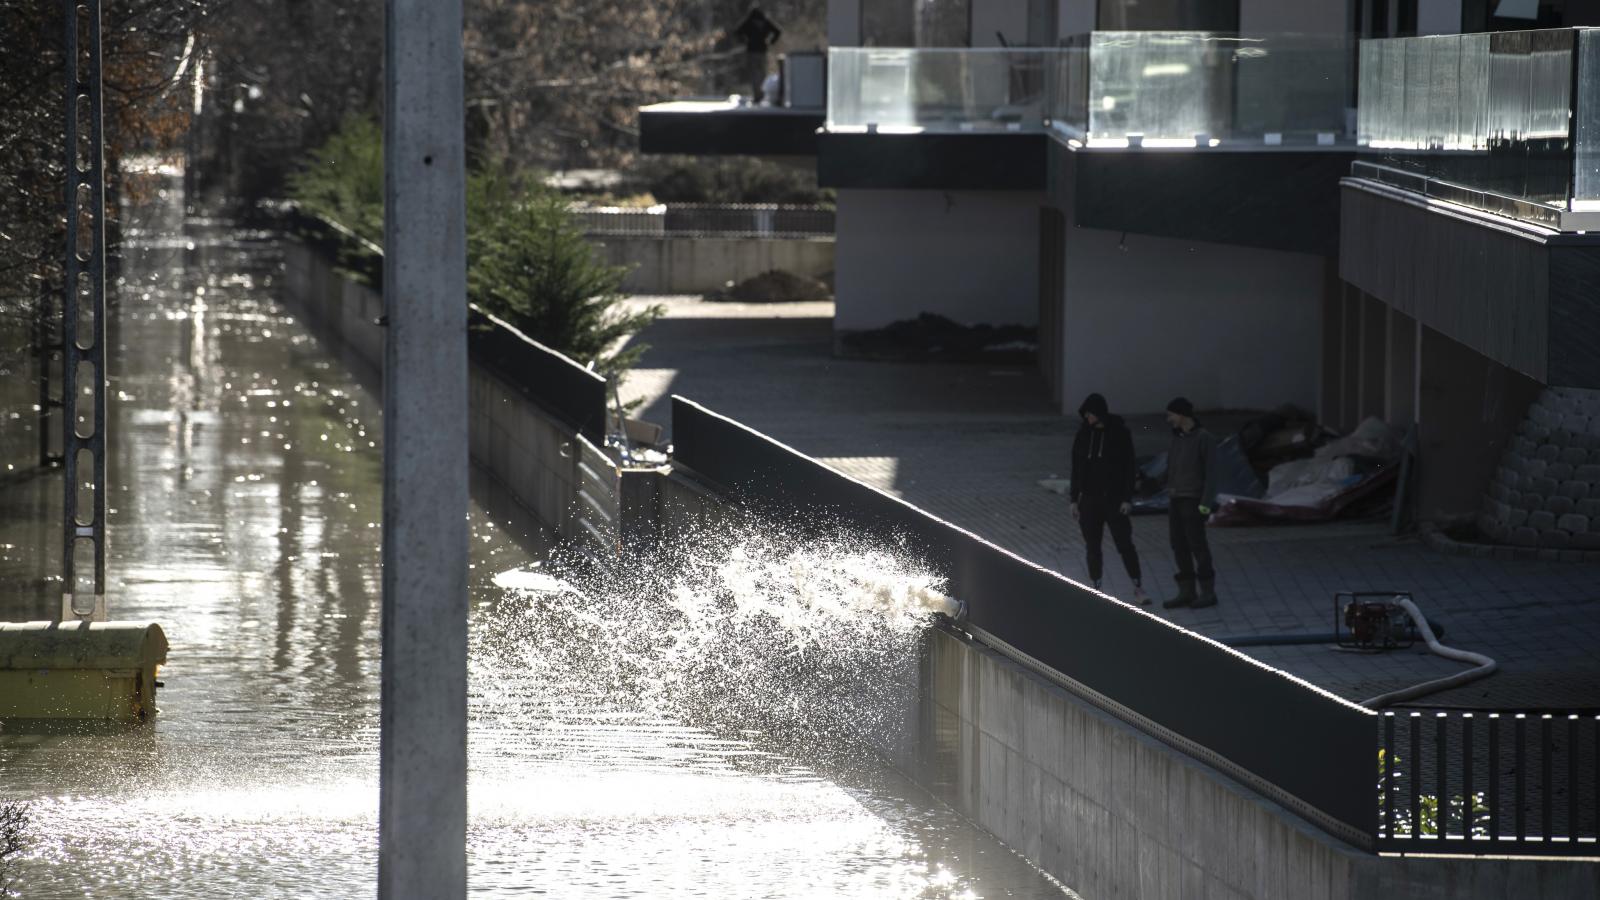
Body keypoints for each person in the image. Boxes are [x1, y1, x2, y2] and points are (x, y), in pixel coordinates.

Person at [1070, 393, 1148, 604]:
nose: (1087, 417)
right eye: (1085, 414)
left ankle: (1138, 585)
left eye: (1090, 413)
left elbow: (1128, 466)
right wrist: (1073, 499)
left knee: (1124, 544)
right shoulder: (1083, 435)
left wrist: (1127, 498)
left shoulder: (1119, 433)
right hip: (1089, 500)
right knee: (1092, 546)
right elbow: (1076, 468)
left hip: (1113, 499)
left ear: (1099, 413)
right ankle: (1096, 587)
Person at [1161, 397, 1219, 610]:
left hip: (1193, 500)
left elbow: (1211, 475)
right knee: (1178, 544)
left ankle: (1207, 591)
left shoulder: (1204, 439)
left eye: (1171, 415)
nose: (1168, 420)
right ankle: (1187, 591)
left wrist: (1205, 503)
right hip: (1176, 498)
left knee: (1197, 545)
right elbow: (1171, 466)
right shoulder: (1177, 438)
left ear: (1182, 414)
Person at [733, 6, 782, 102]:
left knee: (754, 74)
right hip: (762, 51)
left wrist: (744, 41)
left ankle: (757, 96)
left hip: (752, 51)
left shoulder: (749, 21)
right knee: (762, 73)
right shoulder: (765, 21)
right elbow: (778, 31)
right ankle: (762, 95)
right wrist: (771, 42)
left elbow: (737, 32)